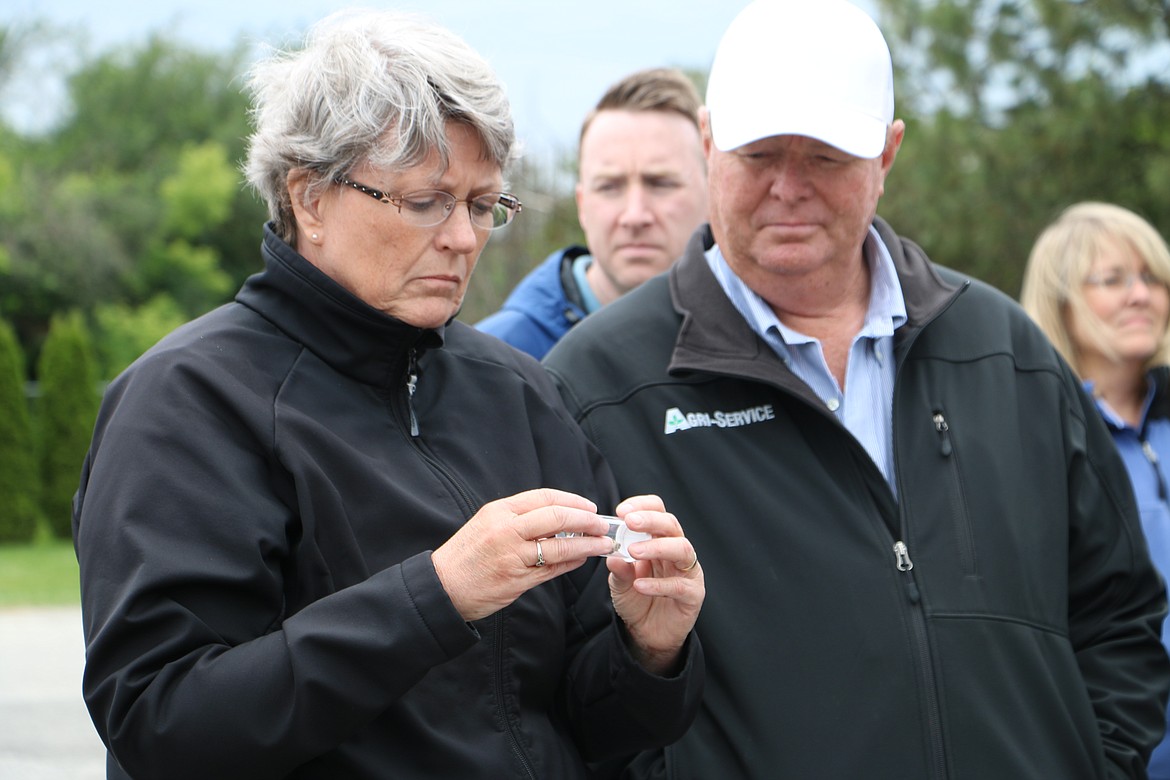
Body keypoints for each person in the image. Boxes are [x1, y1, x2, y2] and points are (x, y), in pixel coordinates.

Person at [71, 10, 705, 779]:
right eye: (425, 201)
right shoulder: (186, 401)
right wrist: (439, 594)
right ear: (308, 198)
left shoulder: (521, 393)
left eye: (481, 204)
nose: (464, 238)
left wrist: (649, 649)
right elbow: (162, 720)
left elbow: (587, 728)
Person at [543, 1, 1170, 778]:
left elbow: (1120, 615)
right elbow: (555, 692)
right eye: (761, 152)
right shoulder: (598, 386)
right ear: (709, 143)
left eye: (828, 157)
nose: (788, 187)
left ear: (888, 152)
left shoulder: (1007, 354)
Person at [1022, 201, 1170, 780]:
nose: (1140, 295)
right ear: (1062, 304)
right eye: (1111, 280)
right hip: (1111, 756)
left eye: (1152, 277)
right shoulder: (1034, 431)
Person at [476, 67, 708, 359]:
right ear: (582, 204)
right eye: (610, 187)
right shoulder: (495, 361)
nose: (635, 215)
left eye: (661, 184)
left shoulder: (764, 338)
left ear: (712, 196)